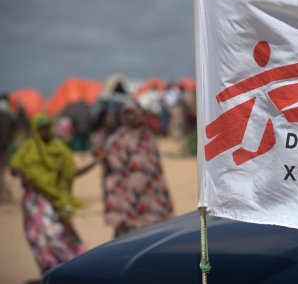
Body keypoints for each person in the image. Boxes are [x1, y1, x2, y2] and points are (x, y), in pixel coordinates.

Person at [9, 113, 99, 275]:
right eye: (40, 128)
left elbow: (72, 172)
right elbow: (14, 168)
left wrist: (95, 163)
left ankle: (70, 269)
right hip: (34, 201)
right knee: (37, 237)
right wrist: (22, 174)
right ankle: (49, 270)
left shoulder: (59, 149)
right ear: (35, 130)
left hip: (54, 201)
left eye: (46, 128)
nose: (44, 132)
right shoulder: (28, 148)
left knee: (57, 235)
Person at [100, 101, 174, 237]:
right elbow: (113, 166)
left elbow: (154, 168)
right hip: (125, 198)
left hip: (149, 196)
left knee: (152, 236)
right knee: (126, 239)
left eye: (133, 113)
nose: (130, 117)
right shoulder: (116, 139)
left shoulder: (148, 138)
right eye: (126, 114)